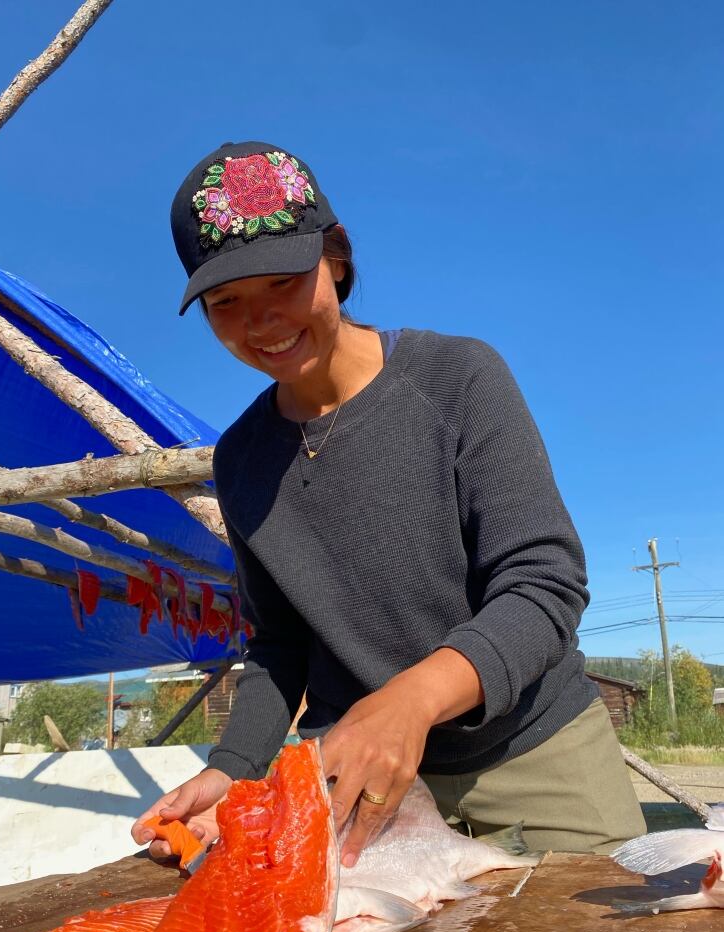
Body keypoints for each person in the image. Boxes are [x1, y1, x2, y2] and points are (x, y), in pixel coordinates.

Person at [132, 140, 646, 865]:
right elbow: (279, 647)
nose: (262, 321)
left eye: (282, 281)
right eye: (226, 303)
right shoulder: (241, 459)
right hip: (357, 785)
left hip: (531, 752)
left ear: (335, 258)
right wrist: (233, 768)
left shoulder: (457, 380)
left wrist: (411, 700)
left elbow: (543, 586)